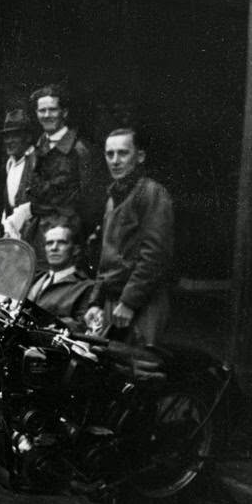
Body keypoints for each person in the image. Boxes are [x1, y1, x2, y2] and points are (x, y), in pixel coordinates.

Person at [84, 128, 174, 345]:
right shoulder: (113, 198)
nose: (115, 161)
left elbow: (155, 255)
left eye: (123, 153)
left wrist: (129, 302)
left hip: (143, 304)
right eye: (110, 154)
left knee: (140, 361)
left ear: (140, 156)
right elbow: (106, 259)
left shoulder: (152, 193)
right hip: (113, 303)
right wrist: (95, 302)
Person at [21, 84, 102, 267]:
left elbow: (90, 205)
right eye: (42, 110)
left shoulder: (81, 150)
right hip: (37, 243)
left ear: (64, 112)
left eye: (52, 109)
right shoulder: (37, 150)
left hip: (68, 246)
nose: (46, 115)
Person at [27, 223, 93, 330]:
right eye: (49, 243)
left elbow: (81, 325)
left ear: (75, 250)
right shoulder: (33, 279)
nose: (54, 248)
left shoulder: (86, 287)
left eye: (62, 243)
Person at [0, 107, 37, 228]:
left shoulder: (37, 162)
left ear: (28, 137)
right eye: (7, 136)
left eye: (15, 136)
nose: (9, 141)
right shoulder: (10, 164)